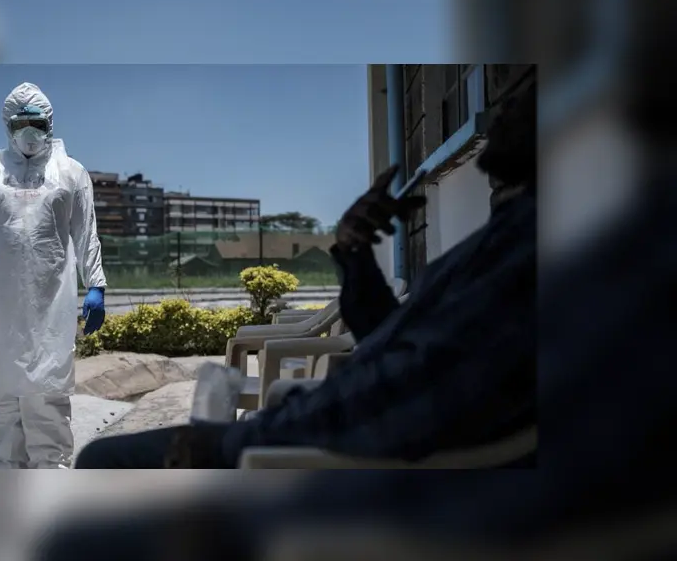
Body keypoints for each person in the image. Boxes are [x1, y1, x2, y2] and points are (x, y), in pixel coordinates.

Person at [74, 79, 537, 469]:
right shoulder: (497, 236)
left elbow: (419, 396)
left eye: (518, 101)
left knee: (102, 461)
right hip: (326, 419)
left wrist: (226, 442)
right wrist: (353, 252)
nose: (498, 111)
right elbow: (388, 337)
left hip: (337, 455)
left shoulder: (523, 253)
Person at [0, 82, 107, 469]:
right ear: (7, 124)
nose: (30, 130)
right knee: (0, 404)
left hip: (51, 305)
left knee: (47, 400)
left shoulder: (71, 172)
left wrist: (96, 284)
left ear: (50, 123)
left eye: (38, 122)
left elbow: (86, 233)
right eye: (22, 122)